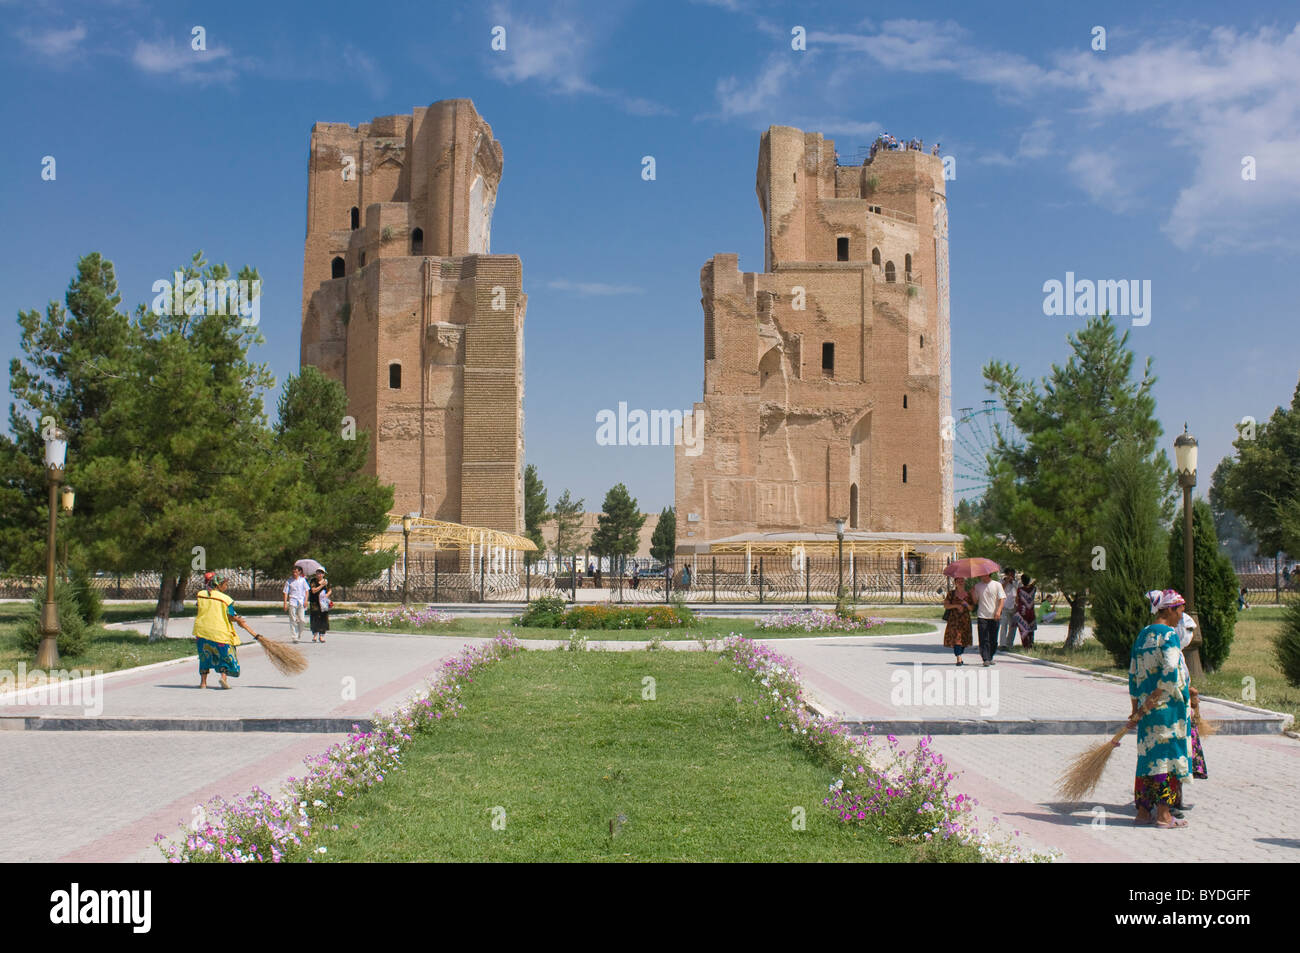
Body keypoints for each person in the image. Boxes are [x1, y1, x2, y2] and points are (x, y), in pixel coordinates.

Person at [1125, 589, 1192, 828]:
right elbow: (1172, 671)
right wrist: (1156, 696)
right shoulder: (1169, 635)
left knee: (1147, 759)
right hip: (1167, 711)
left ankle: (1143, 812)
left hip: (1146, 711)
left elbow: (1133, 674)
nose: (1180, 618)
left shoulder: (1143, 635)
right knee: (1167, 760)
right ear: (1170, 610)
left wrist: (1136, 710)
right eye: (1180, 612)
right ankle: (1164, 815)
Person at [194, 572, 260, 689]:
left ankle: (203, 683)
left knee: (204, 657)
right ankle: (223, 678)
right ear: (218, 585)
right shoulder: (225, 599)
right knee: (226, 656)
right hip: (220, 633)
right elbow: (230, 615)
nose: (226, 586)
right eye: (225, 584)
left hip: (202, 632)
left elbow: (201, 607)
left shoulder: (201, 594)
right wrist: (238, 619)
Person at [975, 572, 1005, 666]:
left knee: (993, 638)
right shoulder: (977, 586)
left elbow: (1002, 599)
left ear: (988, 574)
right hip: (982, 615)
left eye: (982, 574)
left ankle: (990, 656)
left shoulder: (997, 585)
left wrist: (998, 611)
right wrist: (972, 593)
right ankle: (985, 658)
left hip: (994, 615)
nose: (981, 576)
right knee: (983, 638)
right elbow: (976, 601)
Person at [943, 578, 975, 665]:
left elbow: (972, 608)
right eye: (958, 581)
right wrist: (956, 606)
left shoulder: (968, 594)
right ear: (955, 583)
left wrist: (966, 604)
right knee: (957, 639)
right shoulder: (951, 593)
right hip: (954, 620)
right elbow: (946, 605)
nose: (961, 583)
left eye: (962, 581)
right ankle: (959, 658)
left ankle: (960, 653)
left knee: (964, 639)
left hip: (965, 620)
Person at [282, 566, 309, 643]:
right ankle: (294, 637)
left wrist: (306, 600)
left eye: (296, 572)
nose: (294, 573)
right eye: (293, 572)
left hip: (301, 601)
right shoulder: (289, 581)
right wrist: (285, 603)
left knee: (302, 620)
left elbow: (307, 591)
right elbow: (285, 592)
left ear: (300, 572)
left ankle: (299, 633)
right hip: (292, 601)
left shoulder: (303, 580)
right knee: (293, 619)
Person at [997, 567, 1019, 649]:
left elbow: (1018, 592)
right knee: (1004, 625)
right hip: (1004, 606)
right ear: (1006, 574)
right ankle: (1002, 644)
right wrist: (1006, 581)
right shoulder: (1001, 582)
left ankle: (1009, 643)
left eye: (1012, 574)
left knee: (1013, 626)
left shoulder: (1016, 583)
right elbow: (1000, 590)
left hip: (1014, 606)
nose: (1011, 576)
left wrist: (1013, 582)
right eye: (1009, 574)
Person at [308, 570, 332, 644]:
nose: (319, 575)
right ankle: (315, 635)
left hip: (323, 603)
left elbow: (330, 590)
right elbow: (313, 591)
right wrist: (321, 585)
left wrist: (326, 596)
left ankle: (322, 635)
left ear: (323, 574)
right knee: (315, 618)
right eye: (317, 573)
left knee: (323, 618)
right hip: (314, 603)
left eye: (321, 573)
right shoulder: (313, 581)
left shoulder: (326, 581)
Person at [1014, 574, 1037, 648]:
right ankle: (1031, 644)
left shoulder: (1019, 590)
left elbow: (1016, 600)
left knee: (1023, 629)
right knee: (1031, 629)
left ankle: (1026, 646)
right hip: (1031, 612)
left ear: (1022, 581)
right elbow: (1033, 584)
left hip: (1022, 611)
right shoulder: (1033, 589)